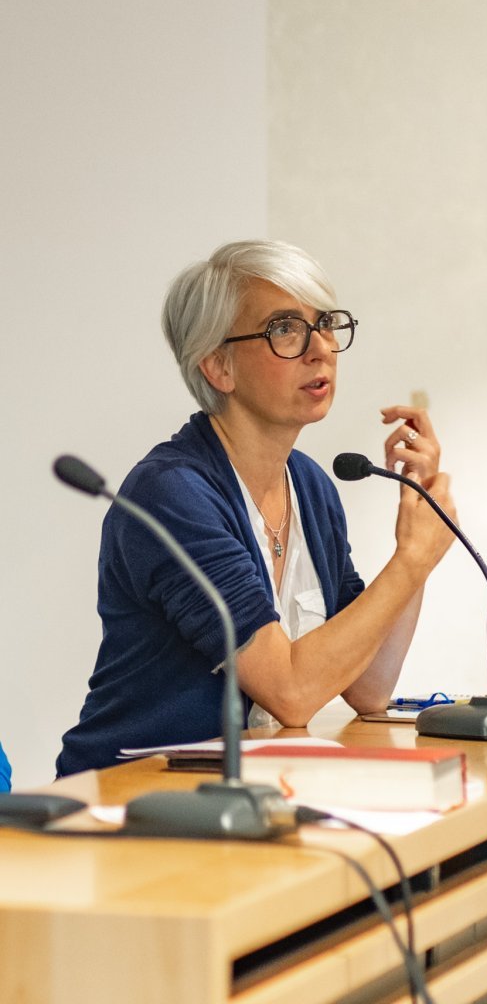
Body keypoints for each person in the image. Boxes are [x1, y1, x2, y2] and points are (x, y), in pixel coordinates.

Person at [57, 240, 456, 776]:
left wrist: (420, 547)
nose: (320, 349)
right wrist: (410, 559)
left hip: (242, 795)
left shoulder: (310, 485)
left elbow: (369, 686)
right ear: (219, 366)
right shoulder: (172, 493)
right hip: (131, 802)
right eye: (285, 329)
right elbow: (290, 690)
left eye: (325, 324)